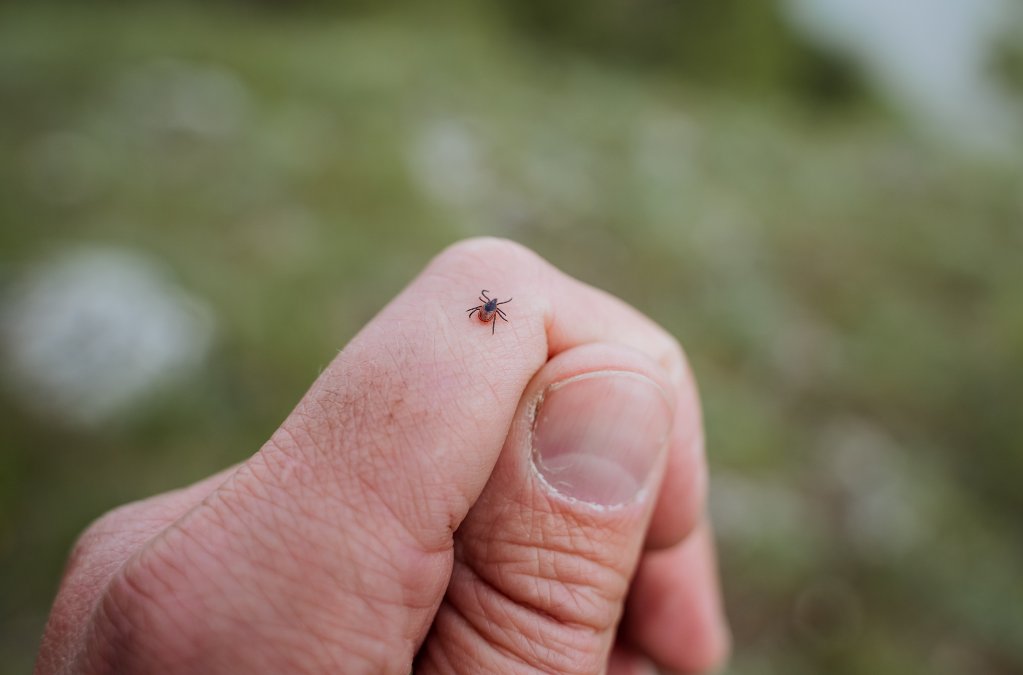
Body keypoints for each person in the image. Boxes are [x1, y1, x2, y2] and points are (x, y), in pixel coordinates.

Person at [36, 238, 729, 674]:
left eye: (491, 308)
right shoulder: (491, 310)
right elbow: (489, 307)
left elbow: (490, 305)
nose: (488, 308)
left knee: (493, 309)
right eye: (488, 308)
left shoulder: (491, 307)